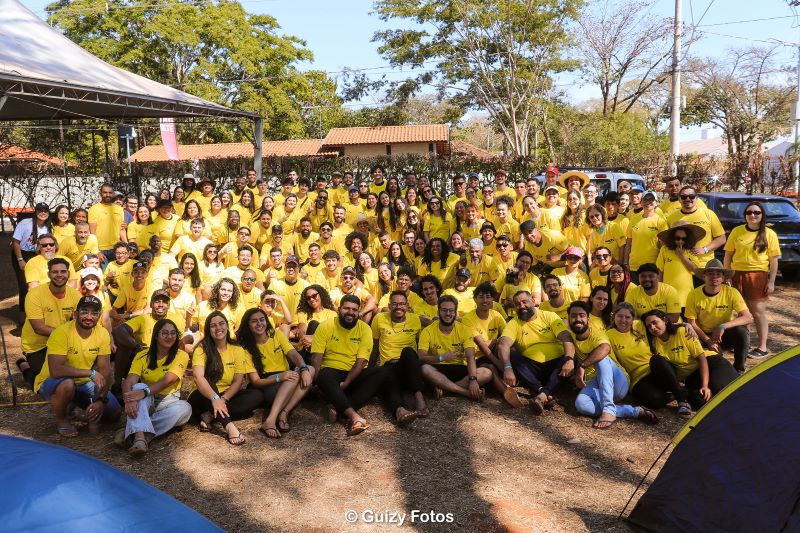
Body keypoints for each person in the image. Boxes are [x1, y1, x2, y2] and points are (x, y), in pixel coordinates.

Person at [33, 295, 121, 437]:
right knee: (67, 384)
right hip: (52, 381)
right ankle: (62, 420)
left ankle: (74, 401)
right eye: (84, 312)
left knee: (114, 414)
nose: (89, 317)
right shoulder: (61, 332)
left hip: (82, 383)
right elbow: (56, 370)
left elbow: (105, 369)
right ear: (75, 314)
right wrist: (90, 373)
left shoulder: (102, 333)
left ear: (99, 316)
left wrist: (101, 400)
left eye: (94, 313)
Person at [566, 301, 657, 429]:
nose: (578, 319)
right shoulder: (574, 333)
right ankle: (634, 411)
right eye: (573, 316)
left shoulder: (599, 334)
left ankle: (608, 409)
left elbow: (604, 348)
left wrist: (582, 366)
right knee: (581, 405)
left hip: (617, 380)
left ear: (588, 319)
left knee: (601, 358)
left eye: (581, 315)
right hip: (596, 383)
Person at [310, 295, 384, 436]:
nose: (350, 312)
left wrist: (347, 383)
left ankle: (337, 407)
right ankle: (354, 417)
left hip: (354, 373)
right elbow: (316, 358)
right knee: (324, 376)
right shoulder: (325, 326)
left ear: (358, 312)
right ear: (339, 310)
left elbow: (362, 361)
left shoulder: (365, 329)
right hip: (331, 372)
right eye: (346, 308)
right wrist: (317, 381)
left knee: (382, 372)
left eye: (354, 310)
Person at [117, 318, 192, 456]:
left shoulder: (181, 355)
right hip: (147, 400)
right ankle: (140, 439)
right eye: (165, 333)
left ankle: (132, 431)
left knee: (185, 409)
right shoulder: (142, 355)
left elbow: (169, 380)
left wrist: (144, 392)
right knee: (138, 386)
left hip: (168, 400)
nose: (169, 336)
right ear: (156, 335)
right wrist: (128, 399)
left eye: (173, 333)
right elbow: (130, 380)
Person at [643, 309, 738, 417]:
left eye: (655, 322)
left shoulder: (682, 332)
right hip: (692, 376)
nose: (653, 327)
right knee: (700, 403)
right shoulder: (655, 342)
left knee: (723, 391)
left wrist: (705, 386)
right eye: (649, 326)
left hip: (711, 363)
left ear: (664, 320)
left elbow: (701, 359)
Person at [237, 308, 314, 438]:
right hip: (268, 384)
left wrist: (303, 369)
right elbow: (256, 382)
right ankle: (271, 420)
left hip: (286, 378)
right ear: (248, 325)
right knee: (293, 377)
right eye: (254, 321)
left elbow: (293, 354)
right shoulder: (245, 348)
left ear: (266, 321)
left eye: (262, 320)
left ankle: (284, 412)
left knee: (310, 369)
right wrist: (280, 377)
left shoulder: (276, 335)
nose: (259, 324)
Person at [188, 311, 263, 445]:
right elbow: (198, 377)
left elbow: (238, 381)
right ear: (208, 330)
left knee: (256, 396)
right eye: (213, 326)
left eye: (221, 324)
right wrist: (215, 398)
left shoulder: (237, 349)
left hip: (226, 395)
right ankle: (229, 426)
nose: (218, 328)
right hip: (203, 395)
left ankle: (211, 414)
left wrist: (222, 400)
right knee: (210, 383)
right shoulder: (201, 349)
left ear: (227, 326)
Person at [497, 290, 576, 414]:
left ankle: (541, 395)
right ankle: (543, 392)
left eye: (525, 302)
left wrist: (569, 360)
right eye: (518, 304)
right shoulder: (514, 322)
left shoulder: (549, 316)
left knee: (567, 356)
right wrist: (507, 368)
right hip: (531, 369)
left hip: (556, 366)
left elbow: (566, 337)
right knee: (511, 354)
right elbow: (503, 344)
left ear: (533, 301)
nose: (522, 306)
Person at [723, 200, 780, 358]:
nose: (753, 215)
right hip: (736, 274)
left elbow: (774, 261)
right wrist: (727, 275)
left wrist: (771, 281)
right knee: (742, 312)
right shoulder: (737, 231)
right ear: (745, 215)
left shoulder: (769, 234)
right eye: (749, 212)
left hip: (757, 275)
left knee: (758, 311)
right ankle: (744, 344)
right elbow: (728, 255)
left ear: (762, 215)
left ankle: (762, 347)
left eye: (756, 212)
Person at [17, 258, 82, 388]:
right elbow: (39, 328)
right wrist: (67, 336)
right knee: (49, 383)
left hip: (62, 343)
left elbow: (79, 323)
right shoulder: (34, 294)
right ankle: (25, 367)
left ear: (68, 274)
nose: (59, 275)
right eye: (55, 272)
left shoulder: (76, 295)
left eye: (63, 271)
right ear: (48, 274)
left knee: (74, 377)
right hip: (37, 346)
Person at [685, 259, 753, 374]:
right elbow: (692, 323)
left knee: (742, 332)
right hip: (703, 335)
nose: (714, 276)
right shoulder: (693, 295)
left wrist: (722, 326)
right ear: (704, 276)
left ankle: (738, 370)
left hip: (724, 334)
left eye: (718, 273)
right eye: (710, 273)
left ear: (723, 277)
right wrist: (708, 341)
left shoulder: (732, 292)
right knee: (689, 342)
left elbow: (748, 317)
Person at [418, 295, 491, 401]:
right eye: (444, 310)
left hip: (460, 368)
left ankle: (445, 390)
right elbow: (421, 357)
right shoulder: (427, 331)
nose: (448, 314)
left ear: (456, 313)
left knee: (487, 373)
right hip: (438, 368)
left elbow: (470, 356)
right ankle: (465, 392)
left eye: (451, 310)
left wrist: (473, 379)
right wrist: (441, 357)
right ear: (438, 312)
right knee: (424, 368)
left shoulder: (464, 330)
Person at [461, 281, 523, 407]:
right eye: (481, 297)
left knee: (508, 349)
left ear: (493, 299)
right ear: (475, 299)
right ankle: (506, 392)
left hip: (492, 353)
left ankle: (510, 384)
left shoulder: (496, 315)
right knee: (491, 368)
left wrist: (495, 342)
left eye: (488, 297)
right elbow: (481, 344)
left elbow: (506, 337)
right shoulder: (467, 319)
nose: (485, 300)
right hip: (475, 357)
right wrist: (499, 364)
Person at [370, 291, 426, 422]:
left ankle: (419, 399)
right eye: (394, 304)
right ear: (389, 306)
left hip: (409, 367)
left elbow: (420, 346)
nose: (398, 307)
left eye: (402, 304)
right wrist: (370, 369)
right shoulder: (379, 318)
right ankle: (399, 410)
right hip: (389, 365)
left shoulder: (415, 319)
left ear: (407, 306)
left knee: (408, 351)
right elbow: (375, 346)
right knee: (388, 377)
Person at [607, 302, 670, 409]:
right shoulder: (609, 335)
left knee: (659, 361)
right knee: (656, 401)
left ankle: (680, 397)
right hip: (637, 378)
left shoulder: (640, 325)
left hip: (654, 368)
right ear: (614, 317)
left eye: (627, 317)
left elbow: (663, 326)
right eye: (620, 316)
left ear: (633, 319)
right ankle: (668, 394)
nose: (623, 320)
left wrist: (685, 325)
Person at [666, 185, 726, 277]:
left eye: (691, 196)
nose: (688, 199)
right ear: (679, 199)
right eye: (684, 197)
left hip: (704, 267)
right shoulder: (672, 218)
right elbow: (669, 241)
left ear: (697, 198)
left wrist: (705, 249)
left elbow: (721, 238)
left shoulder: (708, 214)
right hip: (680, 267)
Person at [13, 202, 54, 308]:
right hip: (22, 253)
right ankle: (24, 311)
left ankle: (38, 307)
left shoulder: (48, 227)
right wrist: (20, 260)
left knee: (39, 281)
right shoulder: (25, 223)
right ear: (36, 212)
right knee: (24, 284)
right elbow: (15, 242)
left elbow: (48, 244)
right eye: (40, 210)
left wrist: (50, 259)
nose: (43, 213)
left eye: (45, 211)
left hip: (37, 254)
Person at [656, 220, 705, 309]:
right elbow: (660, 271)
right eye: (677, 238)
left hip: (686, 296)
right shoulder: (664, 250)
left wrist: (682, 256)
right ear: (672, 238)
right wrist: (659, 290)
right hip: (668, 295)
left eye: (684, 239)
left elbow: (695, 269)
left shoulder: (691, 251)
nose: (680, 241)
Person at [88, 183, 127, 263]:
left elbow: (121, 229)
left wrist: (126, 245)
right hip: (101, 250)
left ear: (113, 193)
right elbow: (92, 231)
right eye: (105, 192)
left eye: (110, 192)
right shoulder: (94, 209)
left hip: (116, 249)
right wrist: (96, 251)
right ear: (100, 193)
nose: (107, 195)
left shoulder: (119, 209)